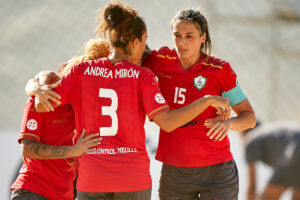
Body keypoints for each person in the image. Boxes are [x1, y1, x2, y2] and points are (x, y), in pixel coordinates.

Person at [28, 2, 231, 200]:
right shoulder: (142, 76)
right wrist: (205, 101)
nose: (145, 48)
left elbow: (41, 105)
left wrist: (35, 87)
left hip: (92, 179)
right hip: (132, 180)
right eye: (144, 41)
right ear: (135, 42)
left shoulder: (81, 71)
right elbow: (168, 122)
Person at [142, 8, 256, 200]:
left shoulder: (220, 71)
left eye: (189, 36)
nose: (181, 42)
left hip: (217, 173)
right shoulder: (158, 61)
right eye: (177, 35)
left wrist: (228, 124)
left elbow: (249, 117)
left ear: (203, 37)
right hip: (175, 173)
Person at [11, 39, 110, 200]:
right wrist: (73, 151)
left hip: (64, 196)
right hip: (33, 191)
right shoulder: (41, 100)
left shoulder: (87, 111)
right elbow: (27, 149)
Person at [241, 121, 300, 200]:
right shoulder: (268, 131)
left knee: (267, 198)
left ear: (243, 132)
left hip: (294, 154)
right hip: (294, 151)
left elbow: (252, 186)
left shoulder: (250, 138)